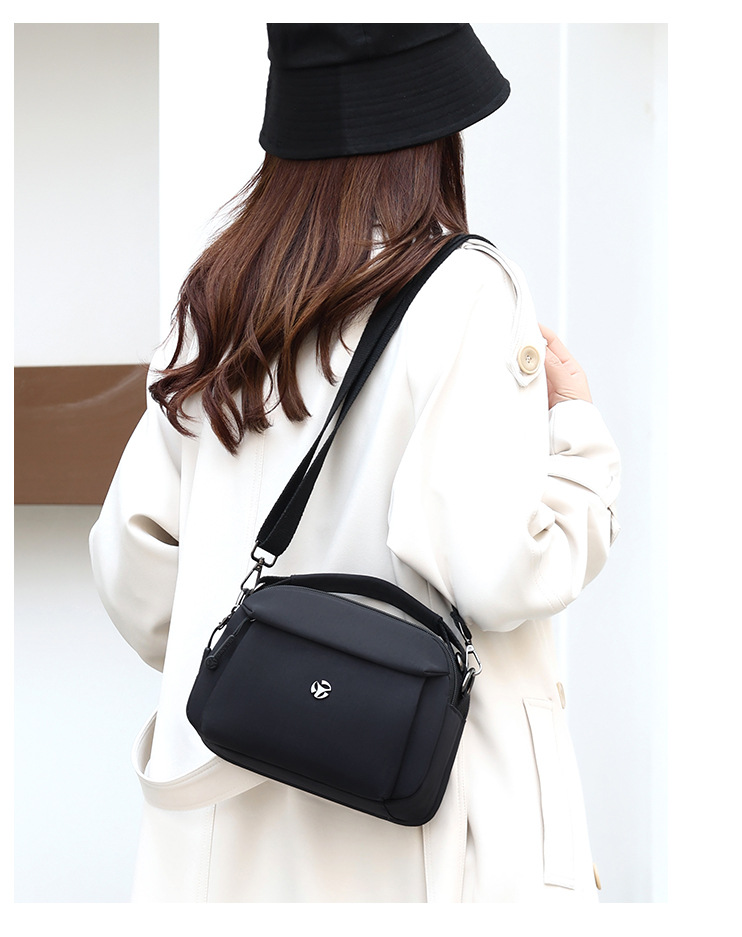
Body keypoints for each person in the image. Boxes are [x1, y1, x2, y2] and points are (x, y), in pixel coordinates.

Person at [90, 24, 620, 903]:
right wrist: (581, 439)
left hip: (221, 851)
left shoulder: (219, 300)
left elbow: (136, 579)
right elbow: (501, 571)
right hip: (417, 844)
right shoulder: (464, 289)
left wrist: (277, 672)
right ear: (431, 134)